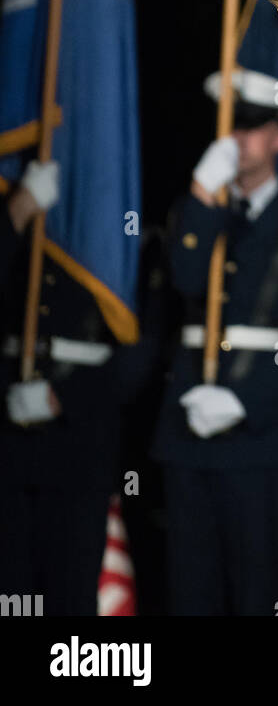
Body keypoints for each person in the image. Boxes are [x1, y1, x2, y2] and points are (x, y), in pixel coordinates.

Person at [150, 67, 278, 616]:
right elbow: (183, 279)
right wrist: (204, 197)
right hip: (186, 430)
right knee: (189, 591)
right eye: (230, 127)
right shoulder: (199, 214)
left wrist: (243, 402)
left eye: (251, 127)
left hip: (261, 439)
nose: (237, 140)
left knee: (259, 592)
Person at [0, 160, 127, 614]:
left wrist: (67, 397)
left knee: (70, 597)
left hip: (80, 445)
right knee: (12, 598)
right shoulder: (15, 209)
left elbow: (140, 351)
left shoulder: (122, 232)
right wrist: (15, 214)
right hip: (10, 438)